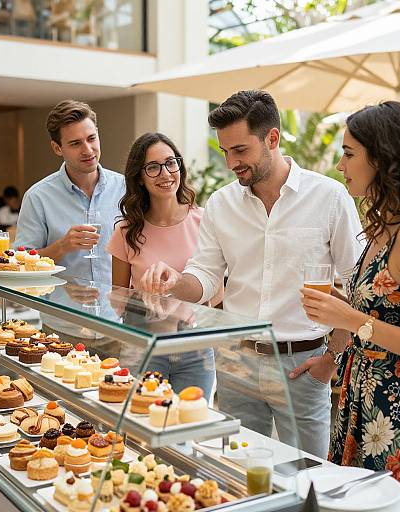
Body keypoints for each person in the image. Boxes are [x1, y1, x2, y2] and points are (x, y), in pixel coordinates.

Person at [139, 90, 363, 457]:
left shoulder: (329, 197)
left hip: (303, 365)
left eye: (240, 150)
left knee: (307, 479)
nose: (231, 163)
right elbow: (205, 275)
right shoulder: (222, 204)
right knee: (236, 469)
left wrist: (331, 360)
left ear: (272, 138)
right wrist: (174, 281)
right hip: (235, 364)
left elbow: (358, 284)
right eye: (225, 151)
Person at [301, 101, 400, 507]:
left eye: (349, 153)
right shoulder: (381, 229)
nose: (340, 165)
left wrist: (353, 318)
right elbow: (375, 313)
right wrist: (340, 326)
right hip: (360, 407)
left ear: (384, 157)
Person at [106, 132, 218, 399]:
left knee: (189, 427)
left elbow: (218, 293)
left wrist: (183, 286)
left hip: (195, 349)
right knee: (142, 428)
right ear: (140, 178)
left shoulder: (204, 222)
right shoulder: (126, 231)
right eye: (153, 167)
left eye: (171, 163)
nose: (166, 173)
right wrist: (143, 295)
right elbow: (118, 300)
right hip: (144, 348)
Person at [15, 99, 125, 284]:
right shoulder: (38, 197)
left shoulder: (125, 188)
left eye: (91, 138)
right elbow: (20, 263)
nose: (88, 150)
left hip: (115, 311)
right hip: (60, 311)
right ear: (57, 148)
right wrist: (61, 247)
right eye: (75, 144)